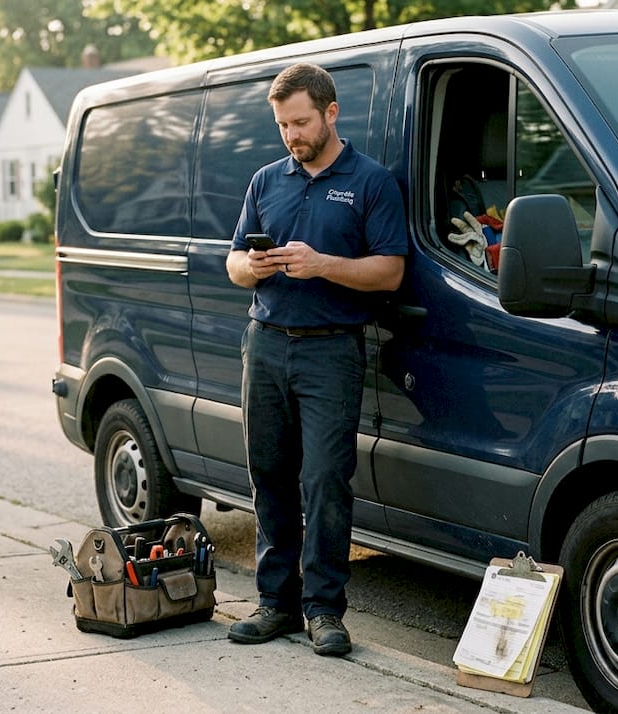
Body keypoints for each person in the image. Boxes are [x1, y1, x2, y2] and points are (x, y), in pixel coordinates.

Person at [225, 63, 408, 657]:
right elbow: (231, 261)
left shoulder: (371, 181)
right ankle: (274, 603)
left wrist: (323, 263)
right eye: (282, 125)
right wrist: (250, 268)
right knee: (269, 474)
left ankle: (324, 610)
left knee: (326, 480)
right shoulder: (266, 180)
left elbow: (391, 269)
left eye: (300, 122)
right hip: (267, 341)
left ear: (331, 113)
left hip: (332, 347)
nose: (291, 135)